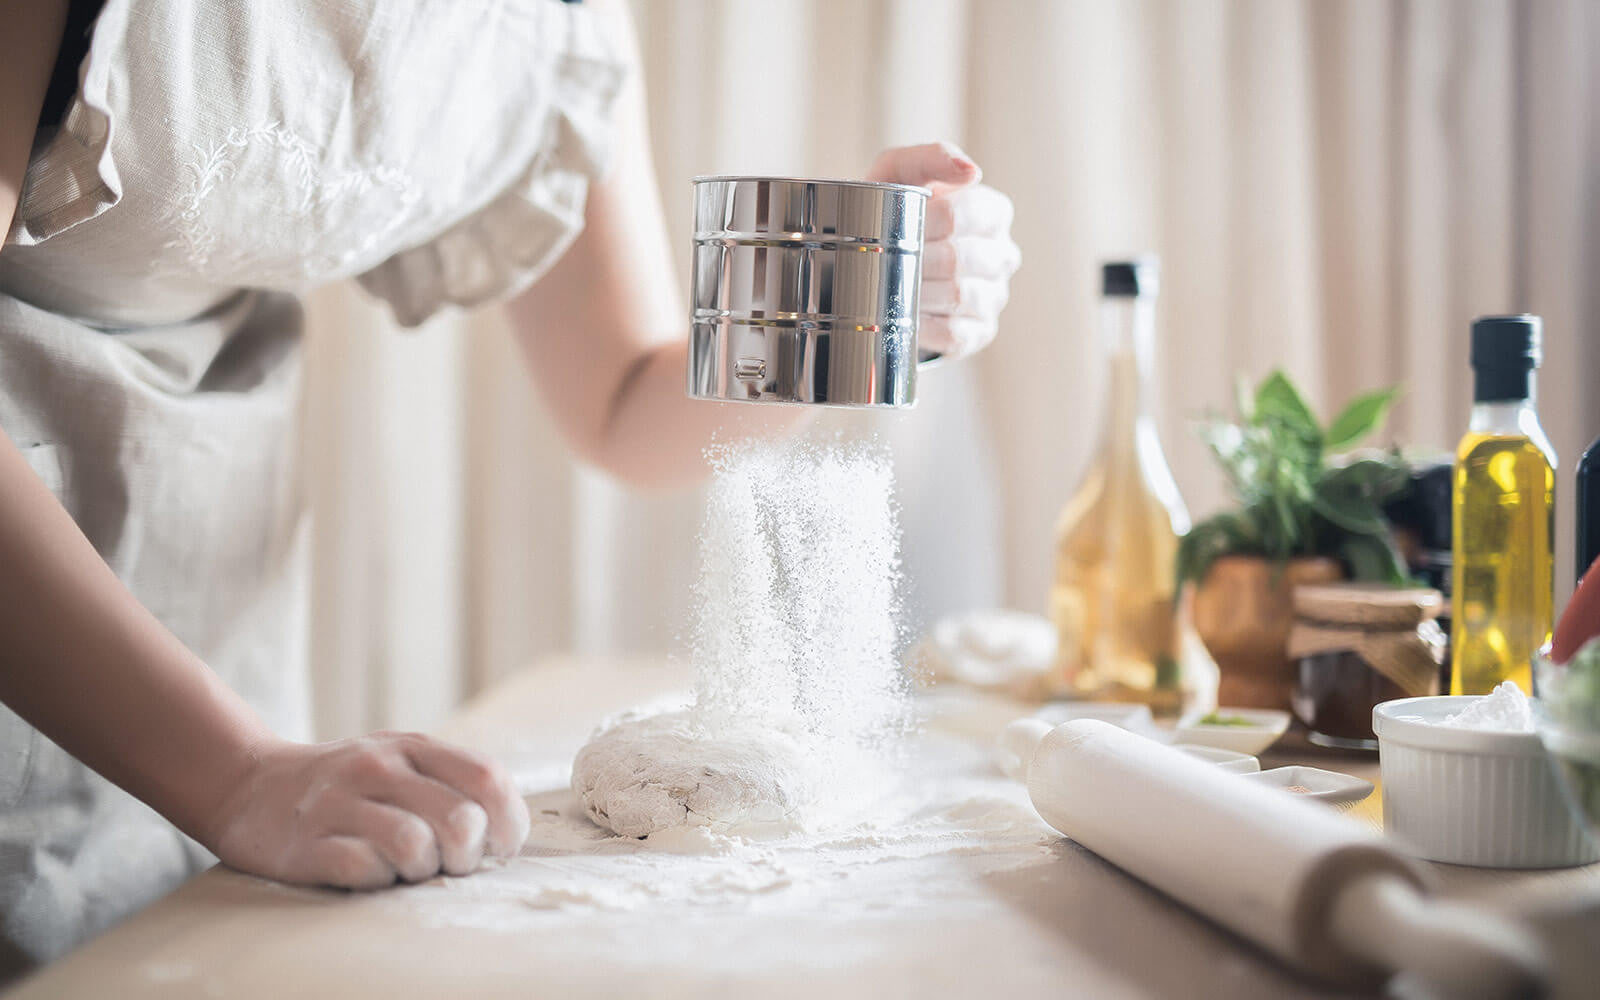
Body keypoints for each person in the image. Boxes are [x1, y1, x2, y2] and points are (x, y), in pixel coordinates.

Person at [0, 0, 1020, 975]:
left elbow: (623, 402)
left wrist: (848, 296)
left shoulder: (560, 16)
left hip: (216, 609)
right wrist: (231, 771)